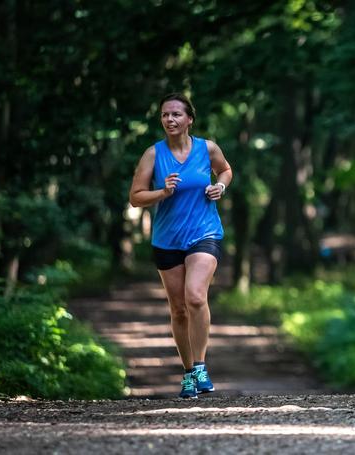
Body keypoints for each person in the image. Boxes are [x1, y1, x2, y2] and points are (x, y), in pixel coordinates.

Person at [129, 92, 232, 399]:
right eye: (165, 115)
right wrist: (162, 192)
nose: (170, 119)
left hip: (204, 232)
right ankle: (188, 372)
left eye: (176, 114)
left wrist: (221, 186)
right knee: (178, 308)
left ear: (189, 119)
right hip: (167, 239)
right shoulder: (153, 154)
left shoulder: (207, 148)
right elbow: (135, 197)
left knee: (196, 296)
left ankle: (200, 366)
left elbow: (226, 169)